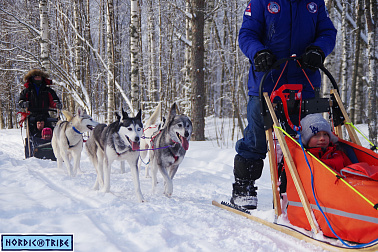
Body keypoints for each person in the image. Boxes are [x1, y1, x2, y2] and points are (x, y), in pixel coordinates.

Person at [231, 0, 337, 209]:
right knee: (256, 137)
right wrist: (258, 52)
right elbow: (247, 34)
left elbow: (327, 32)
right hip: (266, 82)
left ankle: (293, 192)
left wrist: (319, 49)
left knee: (304, 140)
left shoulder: (314, 3)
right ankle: (244, 187)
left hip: (304, 84)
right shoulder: (261, 2)